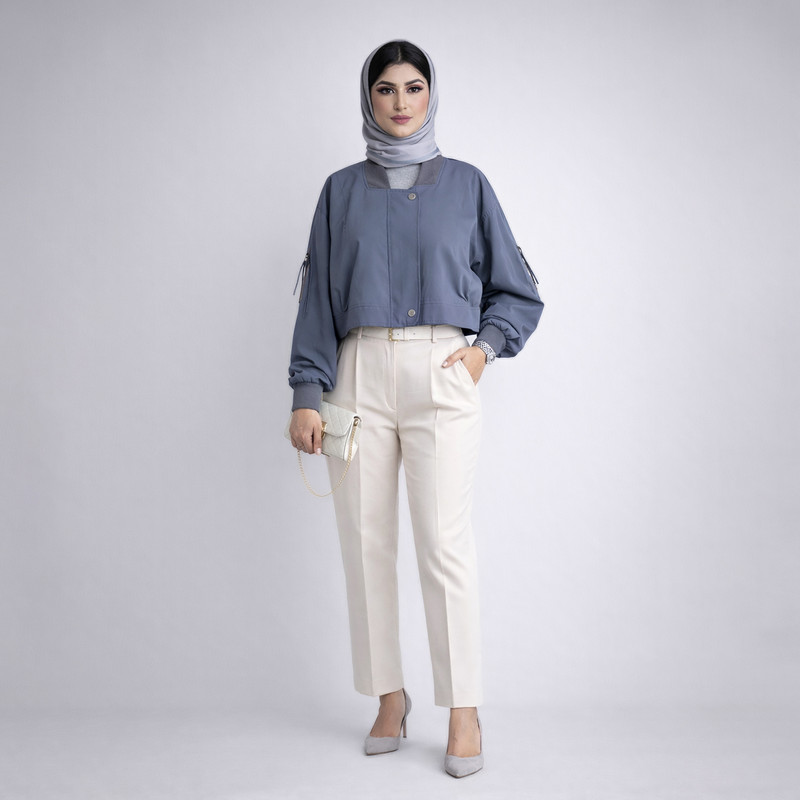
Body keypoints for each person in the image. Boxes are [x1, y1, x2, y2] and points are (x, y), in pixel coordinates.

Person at [287, 40, 543, 778]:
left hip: (442, 370)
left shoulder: (467, 185)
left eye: (414, 87)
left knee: (444, 544)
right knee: (365, 543)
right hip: (357, 374)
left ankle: (463, 708)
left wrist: (483, 350)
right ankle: (389, 696)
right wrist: (307, 392)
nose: (400, 102)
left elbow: (518, 290)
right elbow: (317, 302)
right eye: (386, 89)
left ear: (431, 96)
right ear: (368, 98)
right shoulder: (339, 192)